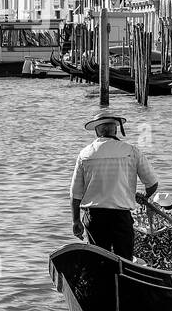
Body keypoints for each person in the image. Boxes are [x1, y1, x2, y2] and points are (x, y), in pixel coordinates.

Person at [68, 109, 159, 260]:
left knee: (99, 261)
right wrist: (144, 196)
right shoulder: (131, 151)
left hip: (94, 218)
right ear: (115, 129)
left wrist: (76, 221)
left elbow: (75, 194)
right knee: (123, 260)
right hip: (120, 218)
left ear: (97, 131)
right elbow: (152, 184)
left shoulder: (85, 154)